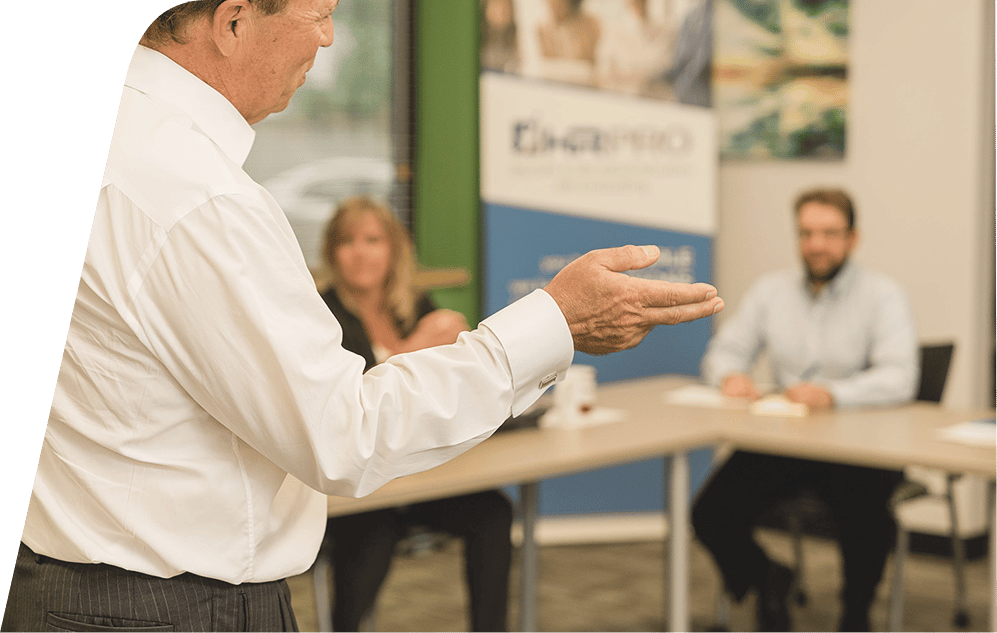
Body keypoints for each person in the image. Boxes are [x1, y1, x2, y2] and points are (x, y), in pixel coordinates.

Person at [2, 1, 723, 631]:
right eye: (320, 15)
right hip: (165, 608)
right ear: (233, 21)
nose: (327, 39)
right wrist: (555, 323)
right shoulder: (198, 198)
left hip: (68, 585)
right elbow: (343, 434)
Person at [692, 188, 918, 632]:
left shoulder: (883, 295)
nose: (817, 245)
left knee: (867, 516)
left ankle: (856, 616)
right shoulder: (770, 291)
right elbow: (724, 351)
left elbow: (900, 377)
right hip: (786, 442)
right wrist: (729, 376)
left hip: (858, 446)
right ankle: (767, 577)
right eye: (807, 233)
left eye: (830, 233)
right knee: (710, 513)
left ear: (852, 238)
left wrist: (832, 394)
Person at [318, 197, 513, 632]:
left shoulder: (414, 304)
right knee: (372, 535)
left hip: (421, 472)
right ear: (332, 253)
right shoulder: (321, 315)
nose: (361, 253)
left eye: (373, 240)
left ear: (393, 249)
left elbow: (449, 385)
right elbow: (347, 404)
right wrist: (420, 345)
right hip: (359, 486)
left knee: (494, 513)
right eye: (348, 242)